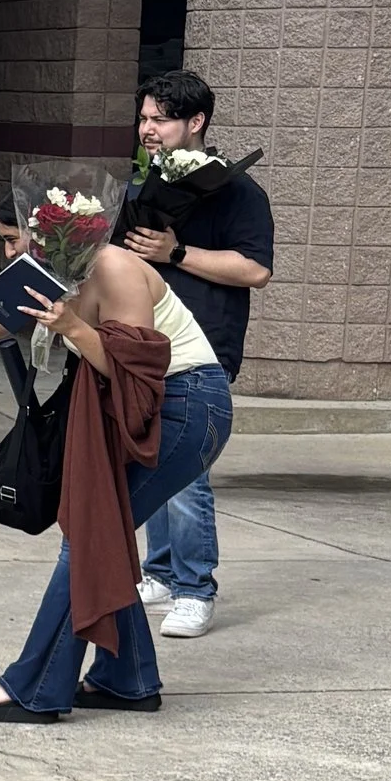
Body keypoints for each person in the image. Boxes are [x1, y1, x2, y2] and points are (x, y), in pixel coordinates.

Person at [0, 222, 231, 718]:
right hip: (153, 406)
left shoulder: (114, 267)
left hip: (185, 404)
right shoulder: (45, 272)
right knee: (102, 532)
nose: (11, 251)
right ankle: (127, 678)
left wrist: (72, 327)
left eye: (17, 238)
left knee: (91, 532)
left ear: (61, 233)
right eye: (5, 239)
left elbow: (138, 371)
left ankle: (34, 687)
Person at [115, 70, 273, 640]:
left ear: (196, 122)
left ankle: (194, 587)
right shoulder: (145, 185)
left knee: (186, 468)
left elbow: (255, 269)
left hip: (204, 343)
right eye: (144, 118)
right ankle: (159, 571)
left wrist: (176, 251)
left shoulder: (236, 191)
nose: (147, 129)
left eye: (159, 119)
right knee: (150, 454)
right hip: (146, 340)